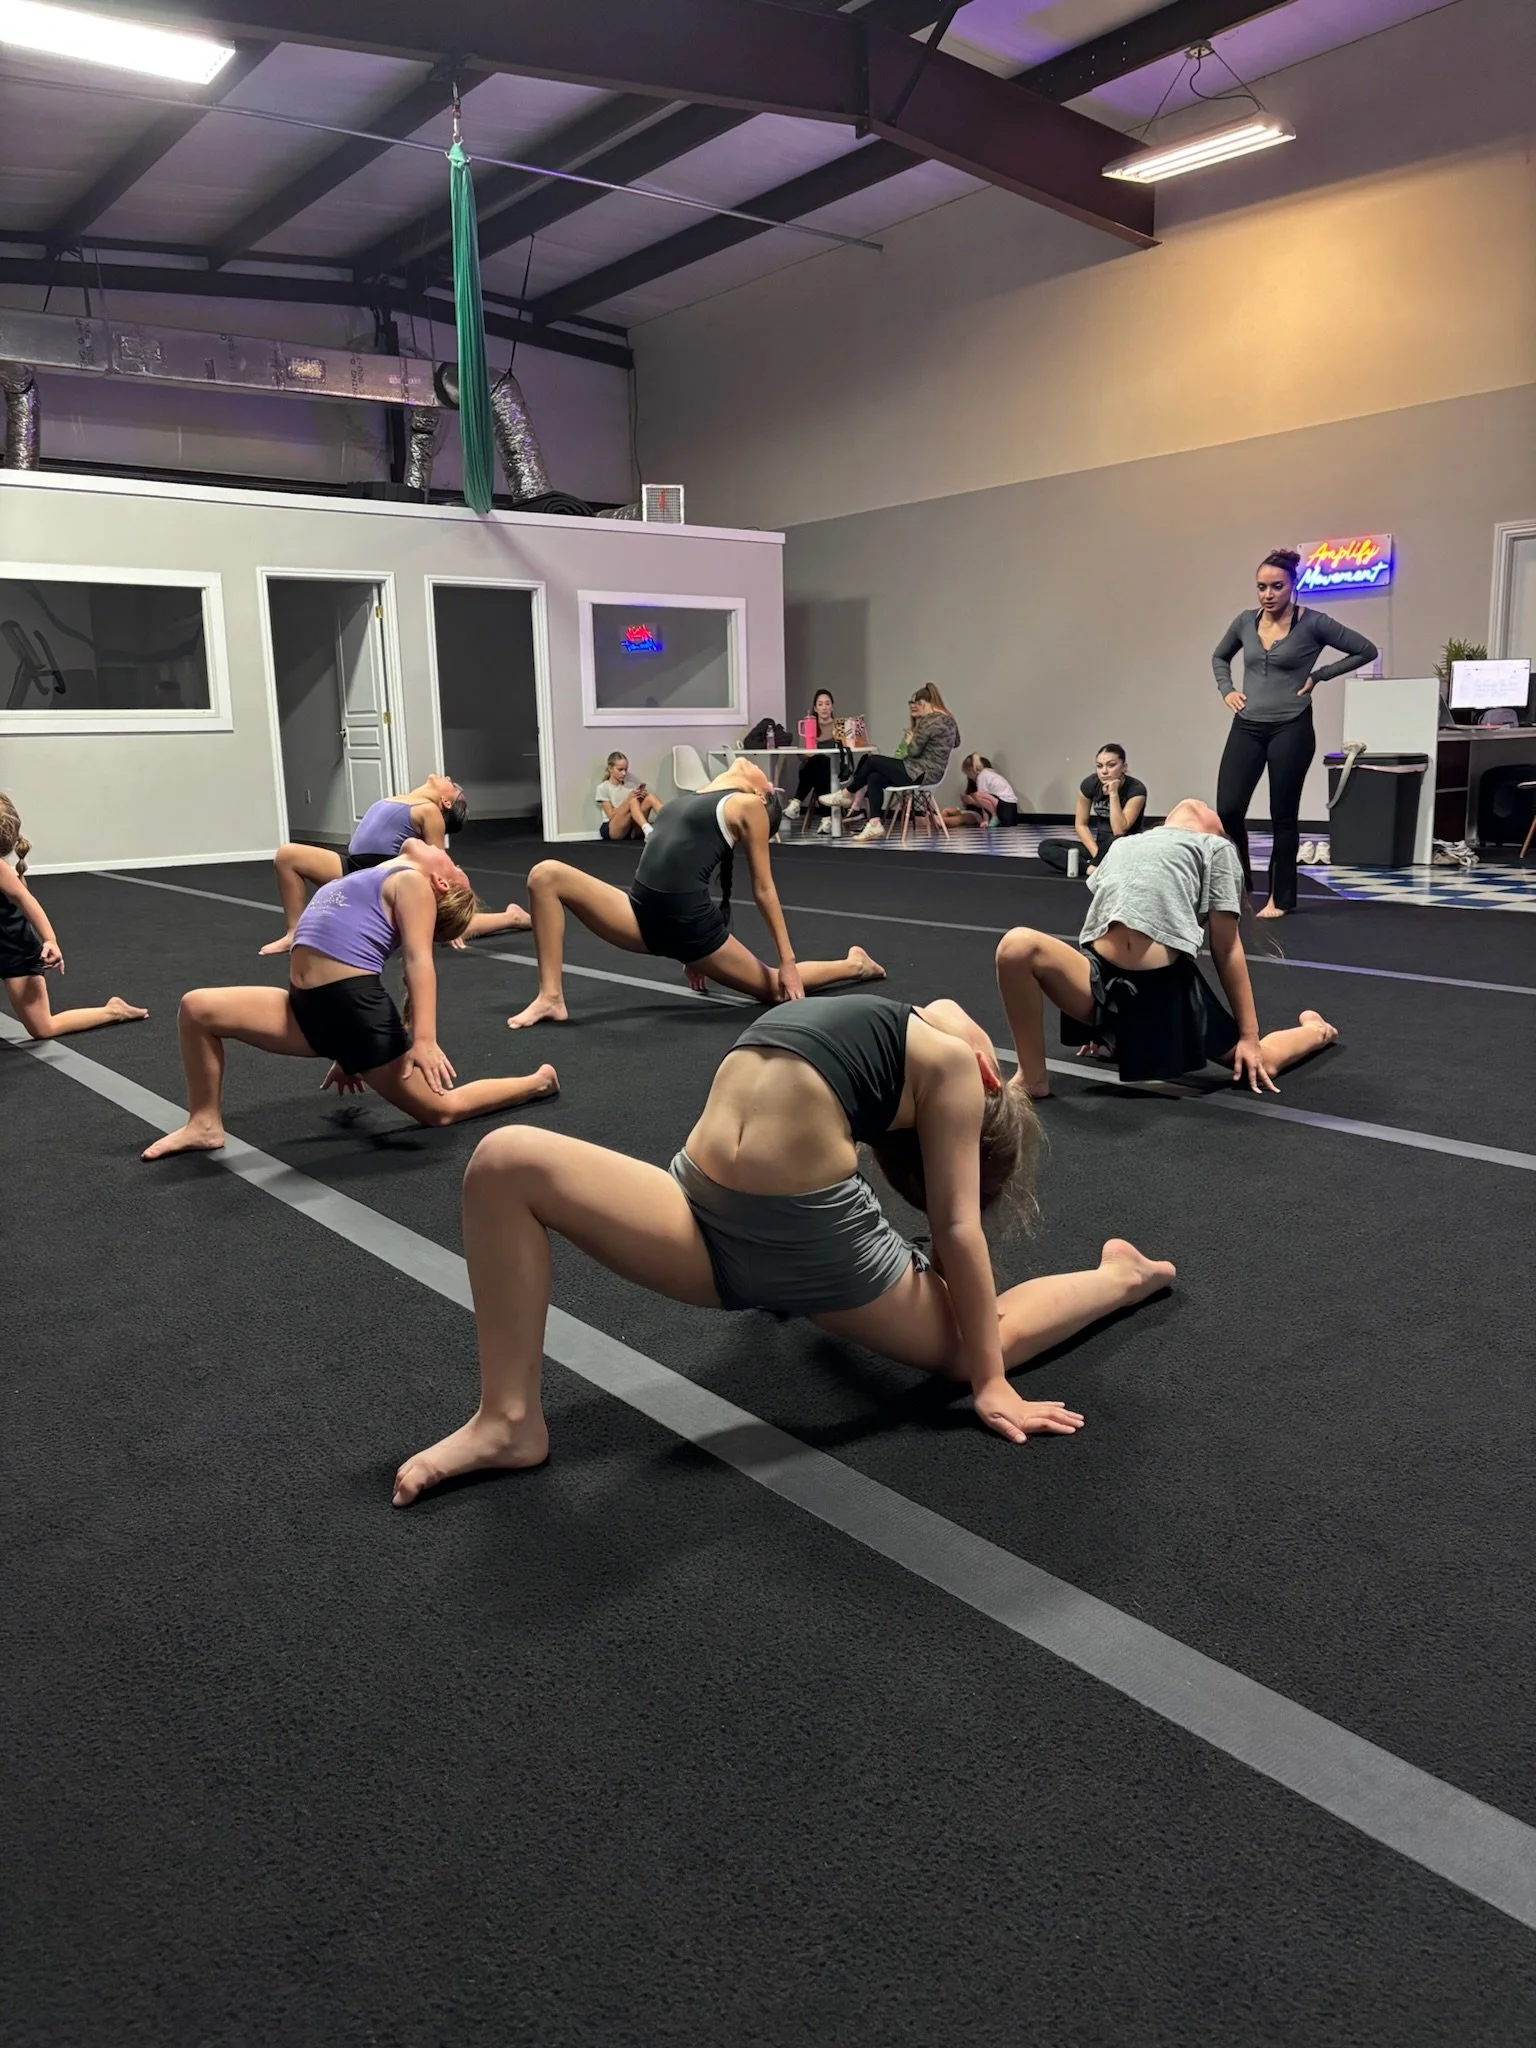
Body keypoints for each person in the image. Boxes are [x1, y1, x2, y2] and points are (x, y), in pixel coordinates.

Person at [392, 991, 1176, 1504]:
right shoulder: (932, 1047)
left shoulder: (944, 1062)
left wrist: (992, 1384)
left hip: (814, 1249)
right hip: (694, 1207)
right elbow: (953, 1190)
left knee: (981, 1342)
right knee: (504, 1161)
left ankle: (1121, 1276)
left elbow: (959, 1229)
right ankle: (509, 1419)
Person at [143, 839, 557, 1160]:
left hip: (355, 1012)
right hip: (305, 1007)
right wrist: (348, 1054)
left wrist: (424, 1040)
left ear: (441, 883)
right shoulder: (378, 873)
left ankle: (537, 1082)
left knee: (440, 1111)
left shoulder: (412, 882)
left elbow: (418, 960)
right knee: (197, 1008)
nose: (447, 853)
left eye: (456, 866)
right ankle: (204, 1123)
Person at [996, 798, 1337, 1098]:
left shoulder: (1216, 850)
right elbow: (1104, 917)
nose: (1197, 803)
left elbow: (1227, 946)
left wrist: (1249, 1035)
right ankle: (1033, 1077)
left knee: (1262, 1061)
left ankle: (1315, 1030)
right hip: (1101, 979)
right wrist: (1094, 1023)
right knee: (1016, 945)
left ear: (1217, 831)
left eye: (1208, 810)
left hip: (1167, 990)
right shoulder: (1126, 844)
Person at [506, 759, 884, 1028]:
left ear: (760, 796)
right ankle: (551, 997)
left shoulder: (748, 804)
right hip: (641, 916)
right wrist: (693, 957)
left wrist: (787, 959)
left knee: (774, 988)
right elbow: (734, 768)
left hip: (690, 928)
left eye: (770, 788)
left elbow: (764, 888)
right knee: (545, 875)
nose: (768, 780)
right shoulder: (705, 791)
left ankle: (855, 964)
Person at [1213, 548, 1378, 919]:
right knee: (1228, 808)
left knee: (1282, 814)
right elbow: (1219, 657)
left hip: (1292, 726)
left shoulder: (1315, 623)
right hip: (1248, 725)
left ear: (1293, 586)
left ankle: (1280, 898)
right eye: (1261, 587)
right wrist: (1227, 689)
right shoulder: (1244, 621)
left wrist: (1319, 676)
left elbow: (1364, 650)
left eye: (1276, 586)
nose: (1268, 594)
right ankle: (1239, 885)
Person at [260, 774, 529, 955]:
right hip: (353, 867)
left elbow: (437, 865)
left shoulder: (430, 812)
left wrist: (445, 918)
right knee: (288, 855)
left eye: (453, 783)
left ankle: (511, 917)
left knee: (442, 926)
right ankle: (294, 932)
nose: (447, 777)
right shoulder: (402, 797)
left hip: (383, 879)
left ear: (446, 801)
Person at [0, 792, 148, 1039]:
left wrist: (50, 940)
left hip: (15, 952)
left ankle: (113, 1011)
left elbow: (28, 901)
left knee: (43, 1028)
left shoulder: (1, 872)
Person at [834, 686, 960, 842]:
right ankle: (874, 823)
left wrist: (909, 740)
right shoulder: (950, 720)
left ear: (923, 703)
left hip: (918, 773)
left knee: (871, 760)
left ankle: (847, 793)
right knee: (874, 777)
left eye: (916, 703)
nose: (914, 707)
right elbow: (956, 743)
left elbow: (913, 751)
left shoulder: (928, 721)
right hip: (933, 774)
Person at [1037, 744, 1147, 875]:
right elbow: (1080, 824)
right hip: (1099, 846)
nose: (1104, 771)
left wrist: (1113, 794)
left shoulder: (1136, 789)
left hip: (1125, 846)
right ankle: (1091, 869)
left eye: (1111, 765)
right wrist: (1097, 854)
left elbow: (1119, 830)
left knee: (1115, 840)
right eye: (1099, 766)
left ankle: (1097, 866)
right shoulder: (1090, 784)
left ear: (1124, 767)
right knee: (1046, 846)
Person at [782, 689, 847, 826]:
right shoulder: (809, 725)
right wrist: (812, 754)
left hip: (834, 768)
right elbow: (802, 754)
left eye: (827, 704)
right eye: (821, 704)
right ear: (815, 708)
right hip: (812, 767)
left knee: (820, 763)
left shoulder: (839, 725)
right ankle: (827, 819)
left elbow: (846, 750)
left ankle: (796, 802)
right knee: (818, 764)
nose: (824, 707)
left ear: (832, 707)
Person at [595, 752, 663, 841]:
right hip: (612, 827)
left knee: (650, 797)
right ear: (610, 769)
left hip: (631, 827)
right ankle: (647, 829)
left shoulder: (630, 785)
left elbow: (636, 810)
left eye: (626, 769)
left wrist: (642, 797)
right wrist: (628, 800)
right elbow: (611, 815)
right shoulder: (603, 787)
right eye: (620, 770)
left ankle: (674, 823)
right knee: (632, 800)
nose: (624, 773)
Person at [942, 755, 1020, 830]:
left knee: (977, 795)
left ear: (971, 770)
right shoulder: (989, 773)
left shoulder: (982, 777)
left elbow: (982, 802)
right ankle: (939, 818)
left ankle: (994, 816)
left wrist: (985, 819)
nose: (969, 777)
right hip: (1008, 804)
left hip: (1004, 804)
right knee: (957, 809)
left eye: (967, 774)